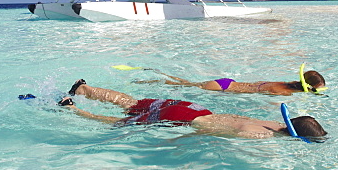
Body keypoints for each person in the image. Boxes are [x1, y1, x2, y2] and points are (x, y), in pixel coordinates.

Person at [59, 79, 327, 141]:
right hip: (187, 121)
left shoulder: (270, 121)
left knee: (131, 104)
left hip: (196, 108)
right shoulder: (263, 136)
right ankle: (74, 109)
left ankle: (86, 89)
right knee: (120, 123)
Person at [138, 64, 326, 96]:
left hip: (227, 82)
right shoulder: (282, 92)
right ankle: (151, 80)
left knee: (185, 82)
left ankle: (157, 73)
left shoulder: (282, 83)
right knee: (178, 84)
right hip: (223, 88)